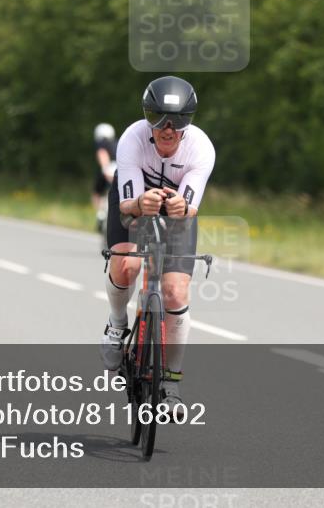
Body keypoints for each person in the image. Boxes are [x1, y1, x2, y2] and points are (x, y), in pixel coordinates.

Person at [100, 76, 215, 407]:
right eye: (159, 119)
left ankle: (172, 383)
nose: (168, 128)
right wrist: (140, 204)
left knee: (176, 291)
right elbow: (126, 206)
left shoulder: (201, 147)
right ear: (147, 119)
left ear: (188, 124)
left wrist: (180, 206)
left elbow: (189, 208)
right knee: (126, 265)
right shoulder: (131, 140)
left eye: (178, 121)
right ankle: (117, 324)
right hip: (135, 202)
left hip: (176, 212)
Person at [92, 123, 117, 231]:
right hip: (122, 169)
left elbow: (102, 153)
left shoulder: (101, 142)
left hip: (109, 168)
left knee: (97, 192)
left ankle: (100, 215)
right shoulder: (117, 142)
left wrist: (105, 169)